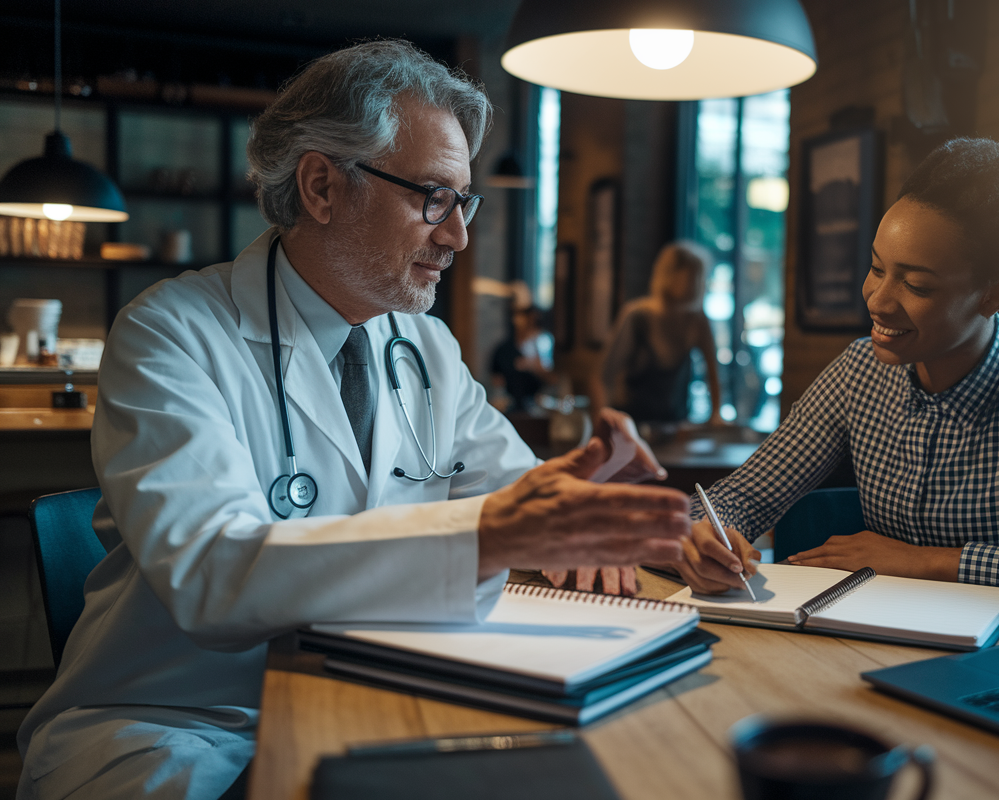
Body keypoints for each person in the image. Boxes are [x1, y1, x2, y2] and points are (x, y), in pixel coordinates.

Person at [17, 41, 689, 800]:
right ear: (321, 186)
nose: (457, 236)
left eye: (463, 201)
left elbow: (526, 496)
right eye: (432, 197)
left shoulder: (424, 346)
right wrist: (496, 531)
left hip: (375, 695)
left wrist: (620, 513)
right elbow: (209, 572)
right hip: (182, 724)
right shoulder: (170, 332)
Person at [669, 138, 999, 620]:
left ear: (992, 294)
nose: (878, 300)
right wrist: (703, 537)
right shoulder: (858, 371)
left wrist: (936, 562)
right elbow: (743, 497)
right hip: (870, 635)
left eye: (916, 284)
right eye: (876, 268)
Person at [591, 240, 723, 425]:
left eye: (700, 277)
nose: (697, 283)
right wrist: (605, 423)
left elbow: (713, 373)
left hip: (673, 425)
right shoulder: (637, 316)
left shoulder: (697, 321)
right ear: (670, 275)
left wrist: (716, 414)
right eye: (692, 276)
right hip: (631, 422)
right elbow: (603, 377)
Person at [490, 282, 556, 414]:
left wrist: (533, 366)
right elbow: (496, 382)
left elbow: (554, 380)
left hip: (538, 410)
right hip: (510, 410)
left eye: (524, 314)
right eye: (517, 314)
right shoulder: (503, 350)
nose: (519, 320)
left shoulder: (543, 344)